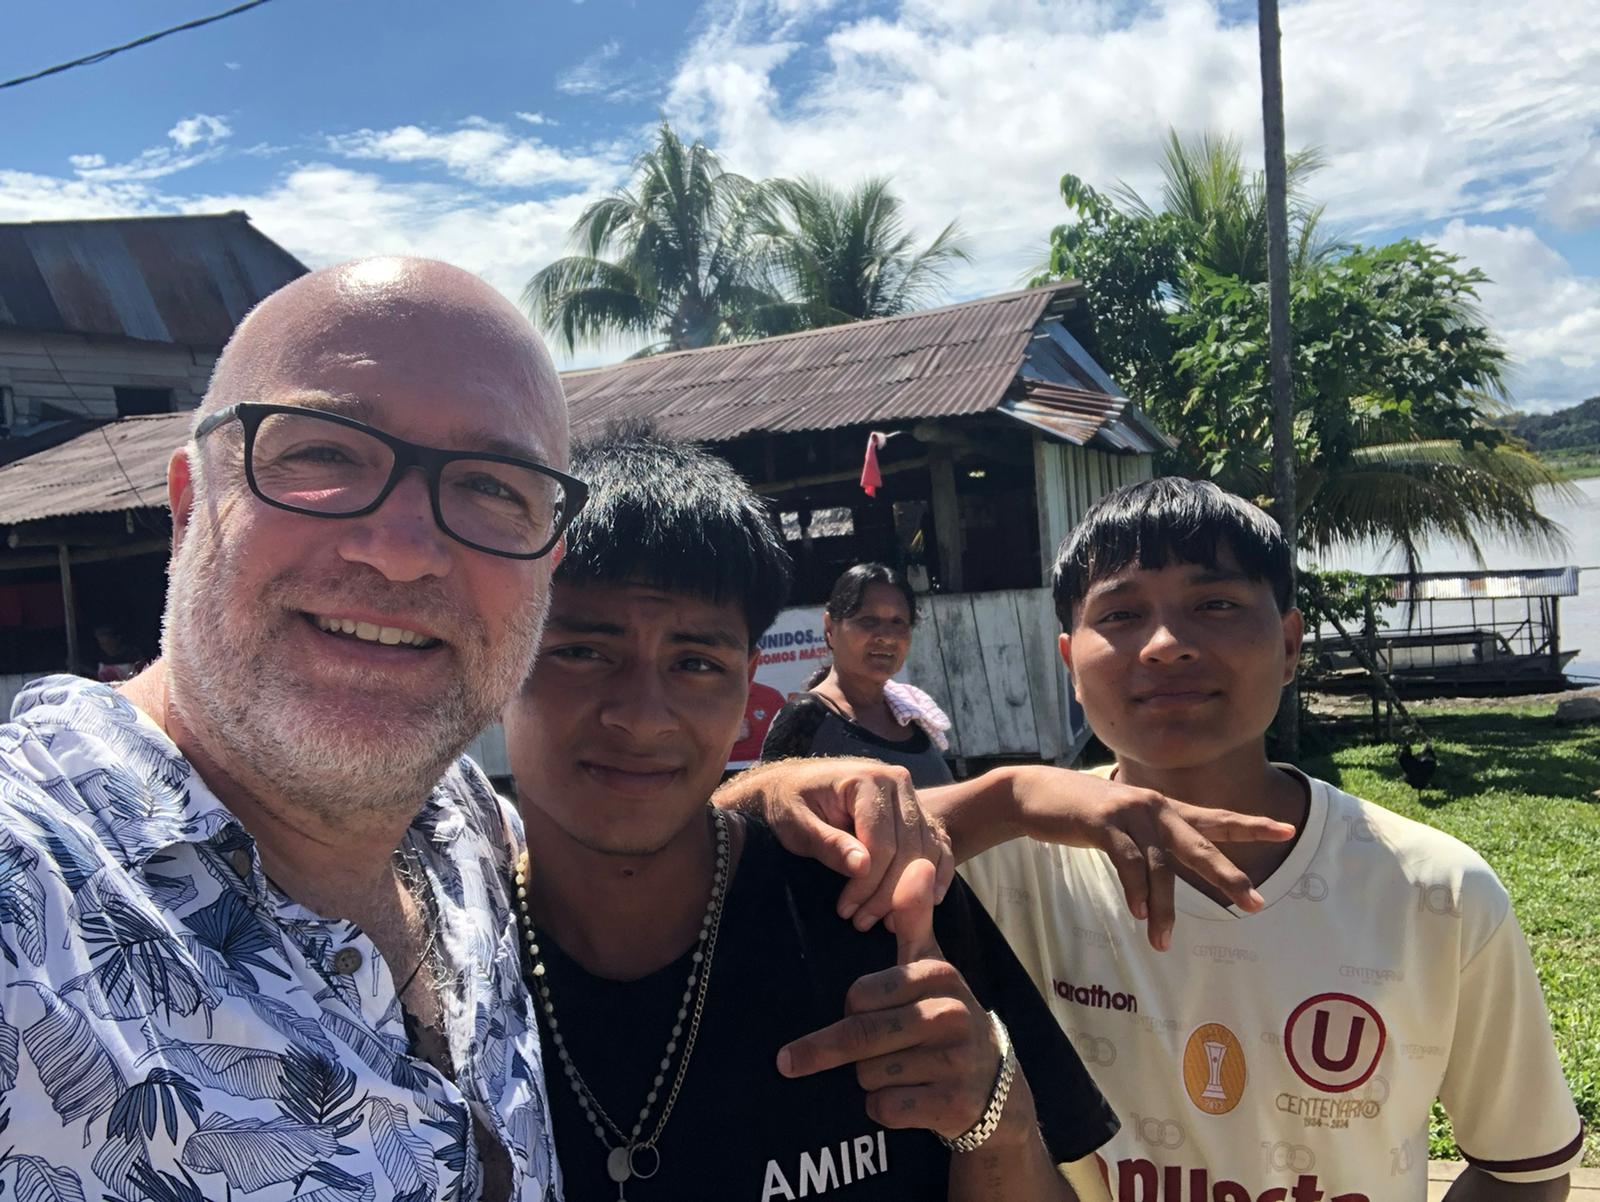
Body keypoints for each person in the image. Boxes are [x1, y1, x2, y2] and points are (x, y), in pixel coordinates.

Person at [0, 258, 577, 1201]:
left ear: (545, 565)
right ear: (189, 506)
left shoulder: (465, 826)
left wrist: (784, 808)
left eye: (492, 486)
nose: (400, 552)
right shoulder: (25, 896)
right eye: (323, 454)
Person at [502, 428, 1120, 1200]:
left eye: (696, 663)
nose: (641, 716)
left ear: (747, 684)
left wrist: (996, 1120)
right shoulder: (441, 969)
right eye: (583, 653)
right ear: (505, 652)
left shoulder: (883, 906)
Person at [935, 479, 1583, 1200]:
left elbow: (1521, 1167)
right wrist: (1008, 798)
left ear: (1290, 644)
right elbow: (837, 830)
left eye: (1215, 604)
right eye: (1121, 614)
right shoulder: (998, 868)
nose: (1166, 646)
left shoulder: (1436, 890)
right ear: (1070, 663)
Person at [761, 562, 955, 787]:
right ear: (830, 628)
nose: (887, 637)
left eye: (898, 622)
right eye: (868, 621)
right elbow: (766, 802)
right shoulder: (805, 720)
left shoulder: (914, 714)